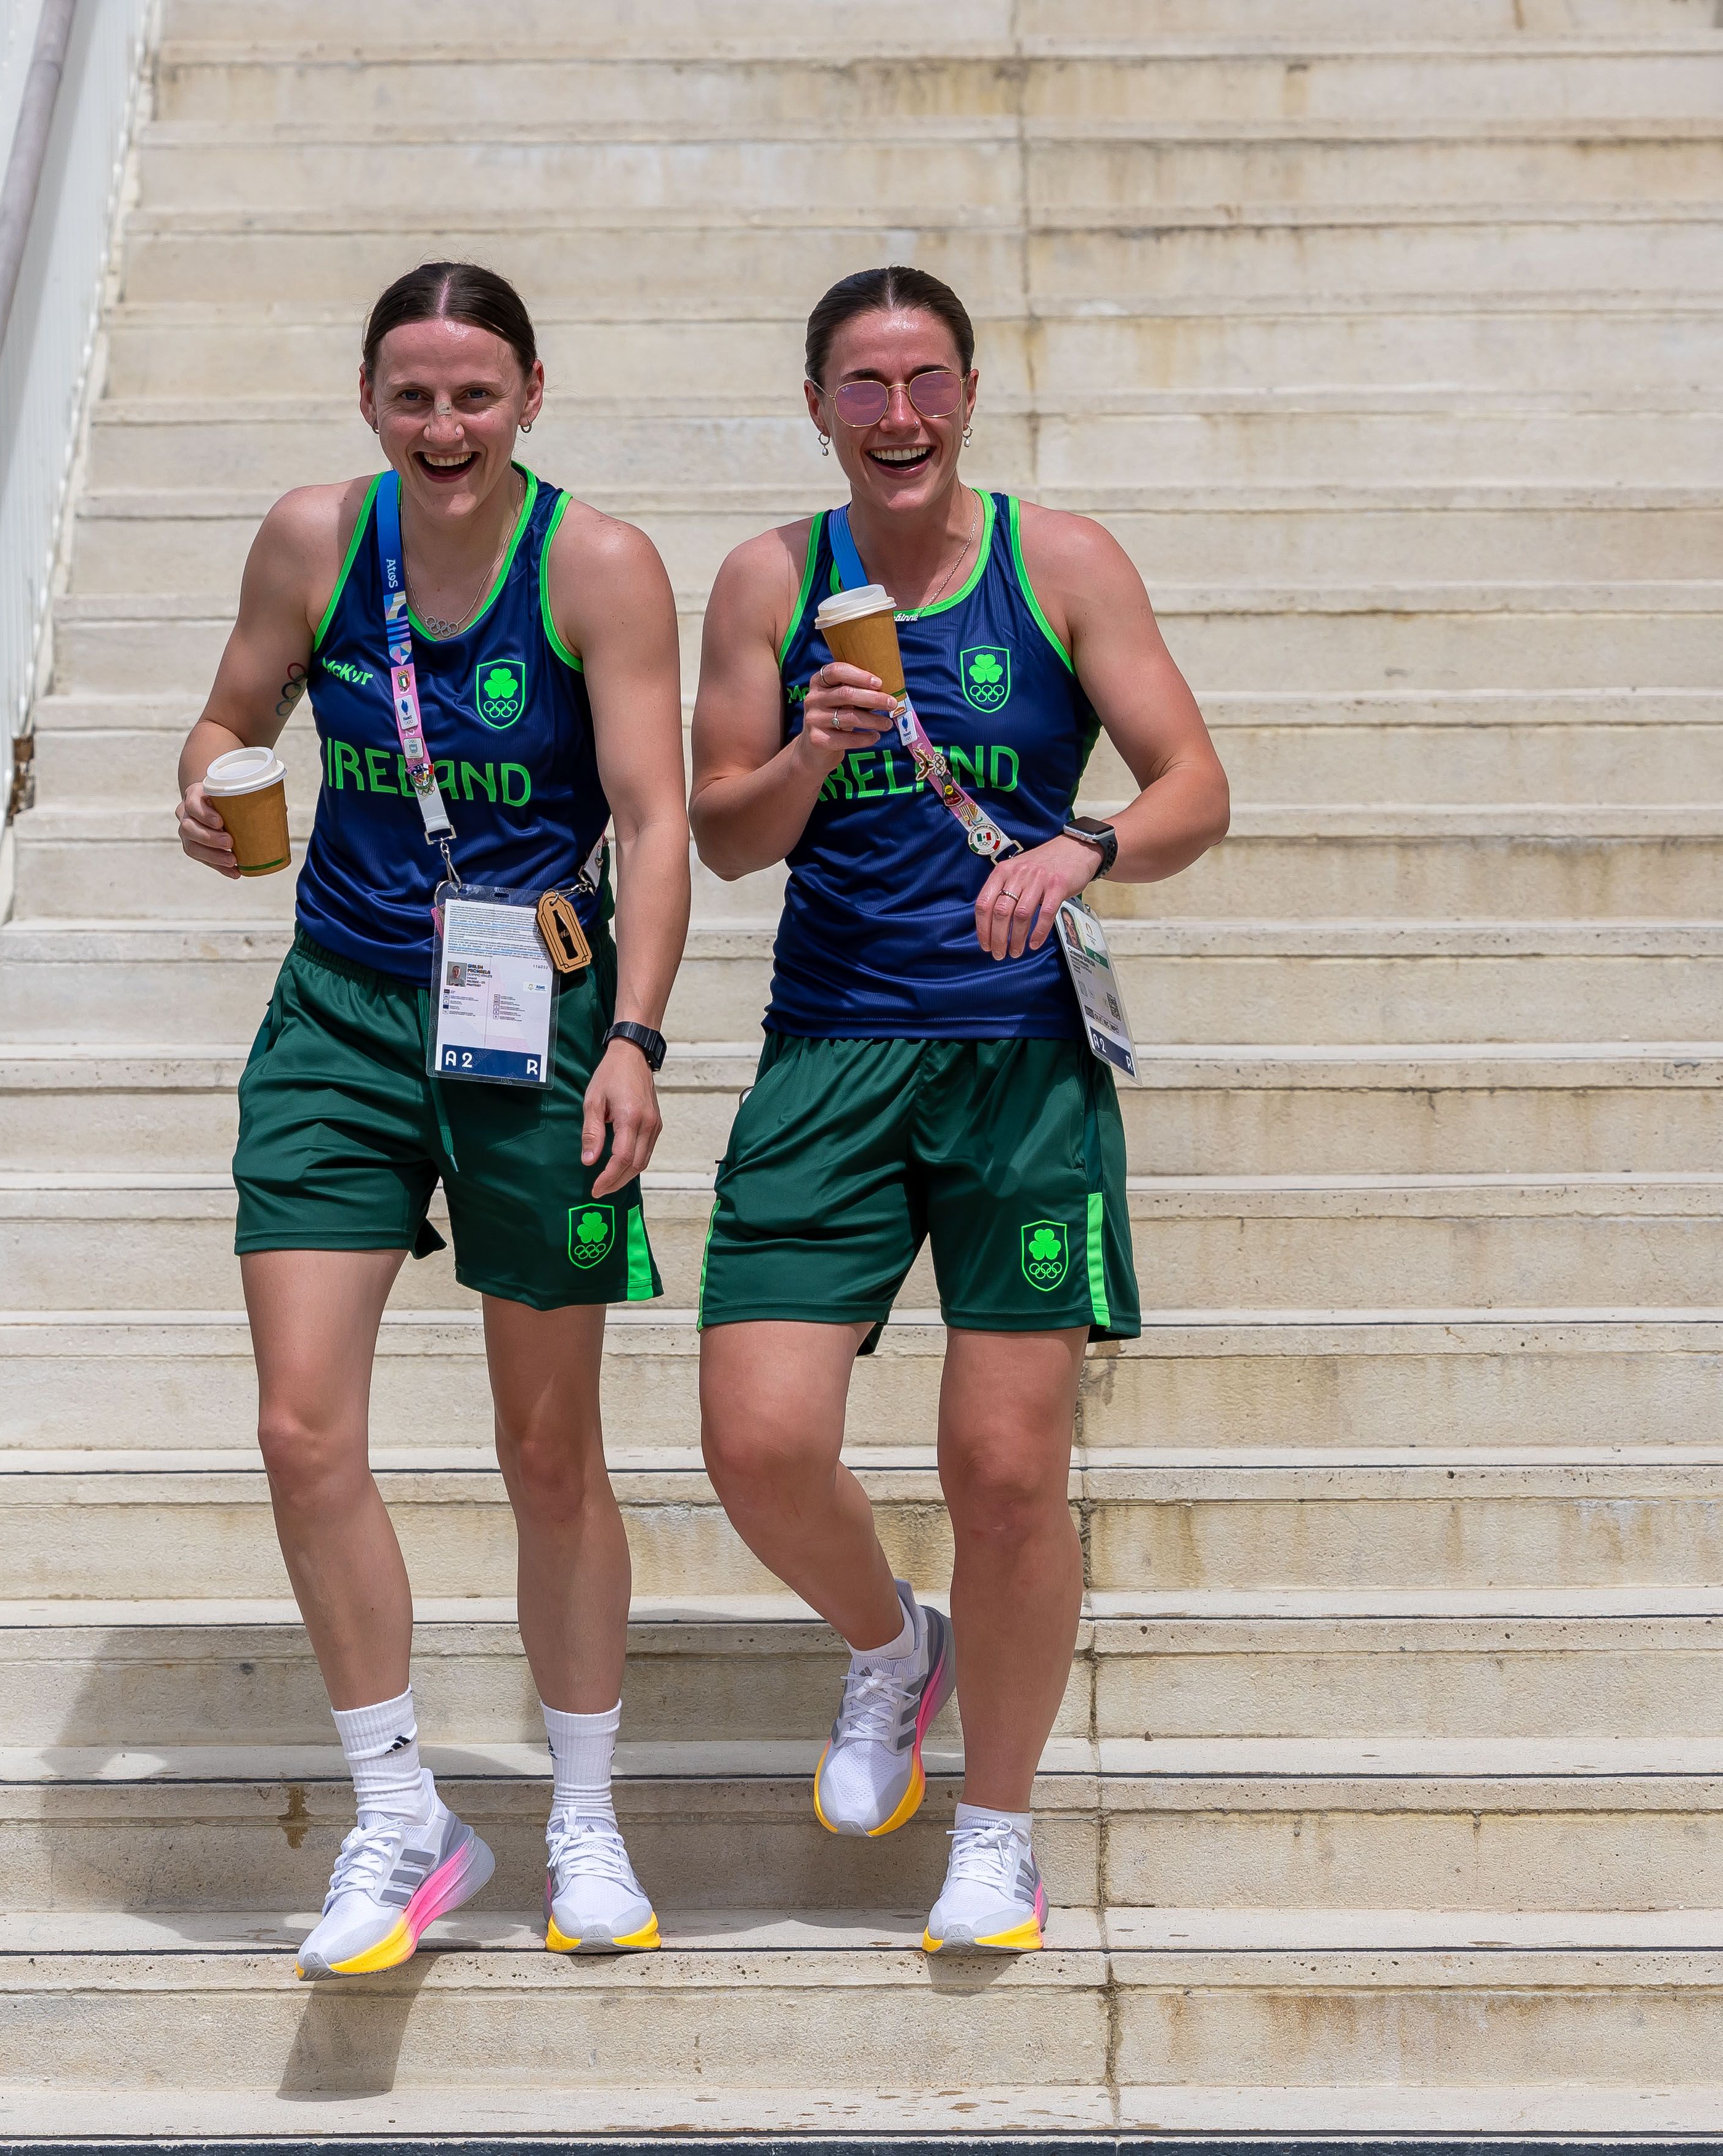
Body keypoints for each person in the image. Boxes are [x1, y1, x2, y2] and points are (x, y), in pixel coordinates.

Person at [687, 265, 1229, 1953]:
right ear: (817, 406)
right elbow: (719, 830)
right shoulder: (770, 579)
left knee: (1004, 1470)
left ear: (970, 394)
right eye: (864, 383)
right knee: (757, 1441)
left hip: (1018, 1062)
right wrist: (808, 752)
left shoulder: (1057, 563)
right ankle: (886, 1643)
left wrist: (1087, 847)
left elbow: (1194, 785)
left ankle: (994, 1826)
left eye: (926, 379)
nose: (898, 412)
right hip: (829, 1049)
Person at [172, 261, 689, 1978]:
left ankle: (584, 1815)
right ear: (370, 403)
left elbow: (653, 818)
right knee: (297, 1429)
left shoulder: (598, 565)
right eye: (412, 395)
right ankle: (400, 1811)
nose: (445, 427)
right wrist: (206, 773)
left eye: (476, 395)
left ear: (531, 394)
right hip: (339, 1007)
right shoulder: (317, 541)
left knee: (548, 1447)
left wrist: (635, 1037)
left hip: (535, 1019)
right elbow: (234, 708)